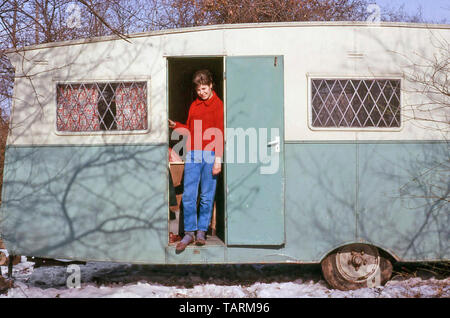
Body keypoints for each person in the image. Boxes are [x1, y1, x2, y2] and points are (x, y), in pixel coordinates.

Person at [168, 69, 224, 253]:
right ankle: (189, 232)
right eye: (199, 89)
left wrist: (218, 160)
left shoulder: (218, 105)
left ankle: (202, 231)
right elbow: (190, 129)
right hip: (193, 154)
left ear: (211, 86)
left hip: (210, 154)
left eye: (205, 88)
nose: (202, 92)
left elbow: (220, 133)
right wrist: (177, 126)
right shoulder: (194, 105)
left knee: (207, 196)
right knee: (189, 196)